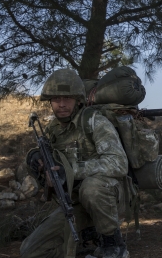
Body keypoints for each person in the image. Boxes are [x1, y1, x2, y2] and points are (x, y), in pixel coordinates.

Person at [20, 69, 130, 258]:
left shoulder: (94, 122)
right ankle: (88, 241)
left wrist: (70, 171)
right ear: (50, 101)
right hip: (74, 202)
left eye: (67, 98)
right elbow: (45, 171)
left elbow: (118, 163)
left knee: (91, 187)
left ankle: (113, 244)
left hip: (108, 196)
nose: (61, 104)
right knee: (30, 251)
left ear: (78, 99)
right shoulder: (51, 131)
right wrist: (35, 160)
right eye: (56, 99)